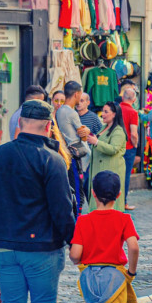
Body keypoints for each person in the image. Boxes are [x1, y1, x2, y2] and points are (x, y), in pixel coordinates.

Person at [0, 100, 76, 303]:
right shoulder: (52, 159)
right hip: (41, 248)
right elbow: (62, 211)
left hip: (4, 245)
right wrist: (74, 242)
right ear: (49, 126)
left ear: (20, 124)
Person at [68, 171, 139, 303]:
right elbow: (133, 247)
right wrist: (131, 272)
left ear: (92, 193)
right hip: (114, 281)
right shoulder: (124, 219)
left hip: (90, 280)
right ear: (118, 195)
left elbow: (75, 255)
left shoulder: (83, 221)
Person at [84, 103, 127, 213]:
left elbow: (113, 149)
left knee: (109, 200)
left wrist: (96, 142)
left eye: (106, 112)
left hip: (110, 172)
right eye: (103, 111)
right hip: (98, 170)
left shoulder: (118, 131)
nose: (103, 114)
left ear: (114, 114)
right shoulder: (104, 127)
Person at [56, 81, 91, 211]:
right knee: (78, 190)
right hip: (76, 155)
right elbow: (83, 135)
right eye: (80, 94)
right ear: (76, 94)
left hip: (68, 153)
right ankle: (77, 220)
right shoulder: (71, 113)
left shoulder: (60, 111)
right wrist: (86, 130)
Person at [119, 87, 140, 206]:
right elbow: (133, 133)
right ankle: (124, 202)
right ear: (134, 99)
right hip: (128, 147)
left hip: (116, 146)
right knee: (126, 175)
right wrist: (135, 144)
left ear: (123, 97)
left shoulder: (116, 109)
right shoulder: (133, 112)